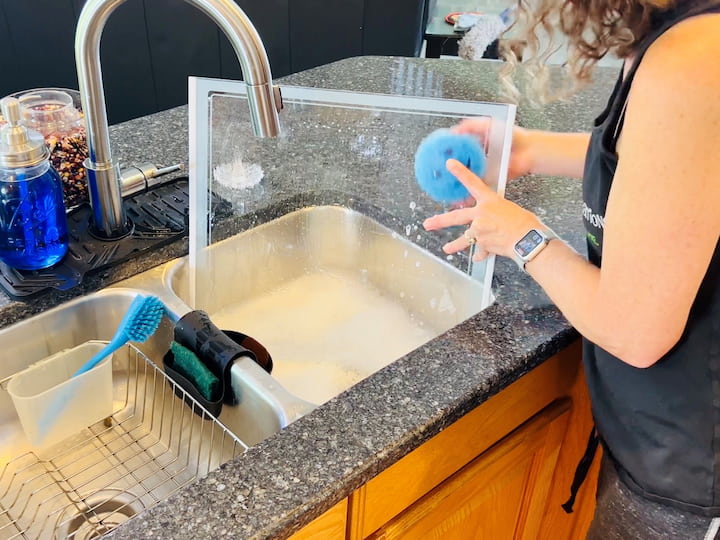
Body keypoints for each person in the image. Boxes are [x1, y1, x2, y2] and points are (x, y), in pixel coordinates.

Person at [422, 0, 720, 538]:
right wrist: (531, 150)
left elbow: (635, 330)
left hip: (689, 474)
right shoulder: (681, 36)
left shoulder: (695, 60)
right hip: (662, 442)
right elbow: (662, 163)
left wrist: (523, 238)